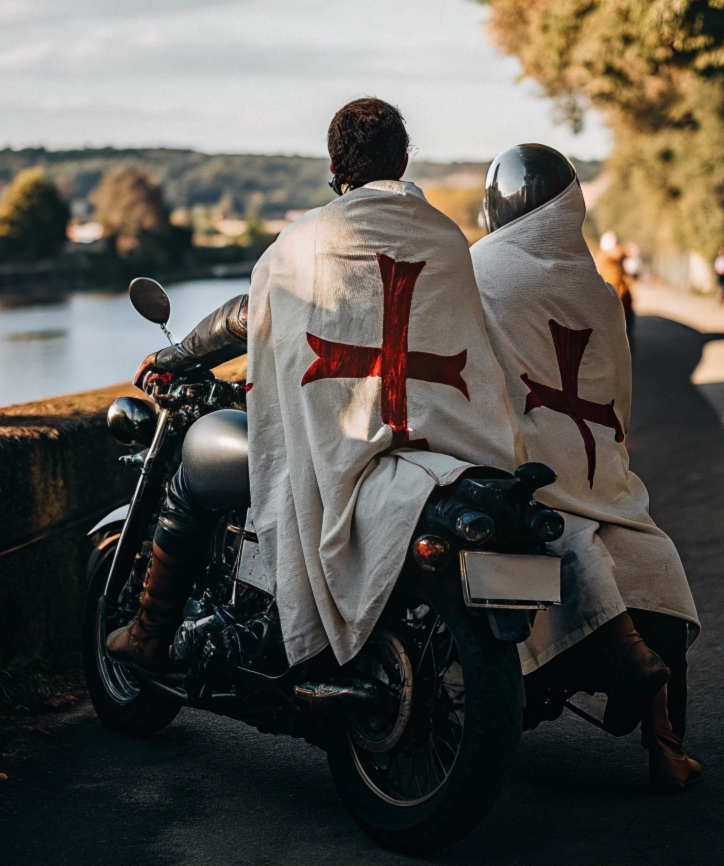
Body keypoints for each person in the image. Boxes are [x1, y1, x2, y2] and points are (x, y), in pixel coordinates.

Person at [108, 98, 525, 673]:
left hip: (343, 446)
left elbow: (248, 316)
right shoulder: (449, 240)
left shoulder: (303, 242)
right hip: (437, 443)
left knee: (192, 479)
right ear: (403, 160)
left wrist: (179, 355)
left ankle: (151, 636)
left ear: (334, 168)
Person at [471, 143, 702, 792]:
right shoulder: (599, 294)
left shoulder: (477, 271)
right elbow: (617, 405)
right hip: (601, 478)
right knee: (650, 557)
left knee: (556, 534)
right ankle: (667, 750)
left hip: (527, 479)